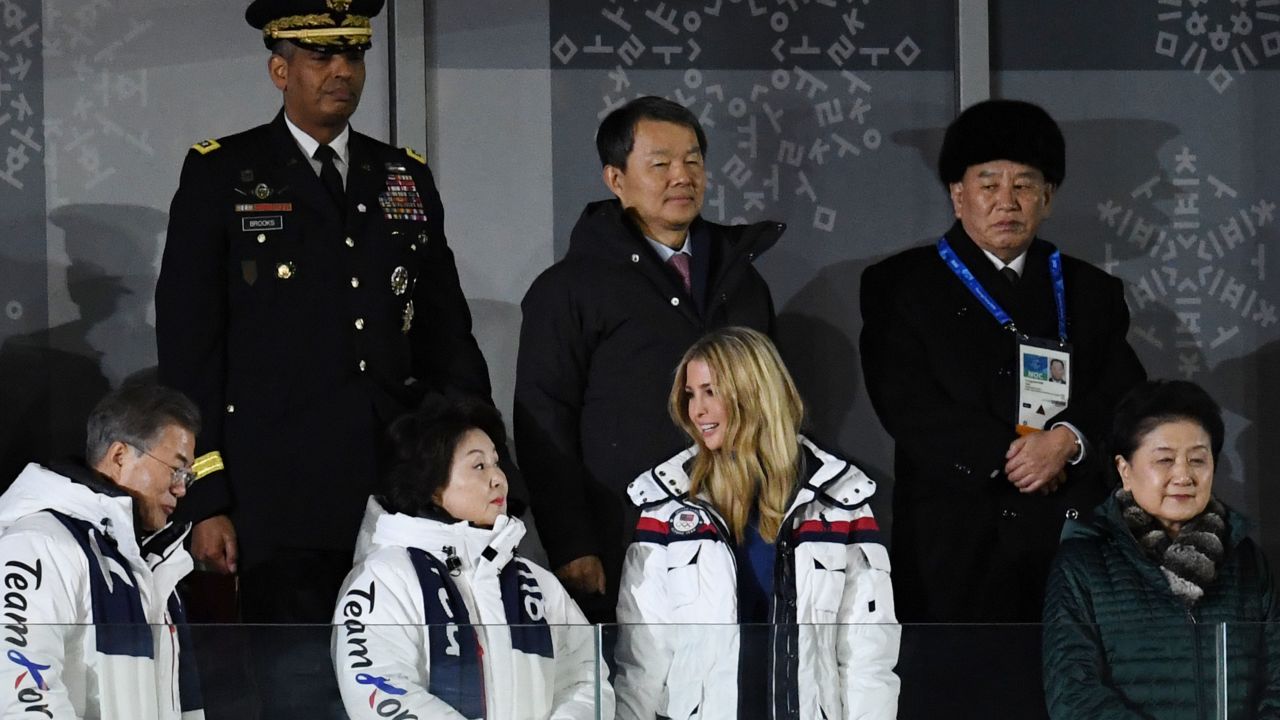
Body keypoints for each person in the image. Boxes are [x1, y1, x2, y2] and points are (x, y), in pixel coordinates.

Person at [155, 0, 494, 623]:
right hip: (278, 492)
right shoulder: (224, 173)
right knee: (295, 679)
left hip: (398, 489)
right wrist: (206, 496)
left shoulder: (402, 176)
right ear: (280, 70)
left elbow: (447, 336)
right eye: (320, 56)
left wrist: (481, 459)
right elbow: (189, 347)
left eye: (354, 53)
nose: (342, 70)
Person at [859, 98, 1146, 718]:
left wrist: (1066, 441)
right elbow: (906, 406)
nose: (1006, 200)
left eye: (1024, 184)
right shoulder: (900, 285)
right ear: (957, 194)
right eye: (988, 184)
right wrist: (1013, 457)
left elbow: (1127, 396)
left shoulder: (1092, 291)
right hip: (956, 541)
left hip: (1068, 538)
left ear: (1049, 196)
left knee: (1071, 694)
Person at [515, 96, 784, 621]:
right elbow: (544, 424)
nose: (681, 176)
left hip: (746, 531)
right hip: (628, 540)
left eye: (693, 160)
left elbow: (776, 408)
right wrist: (572, 543)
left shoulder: (743, 280)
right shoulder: (568, 289)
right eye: (660, 164)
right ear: (615, 179)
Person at [615, 327, 899, 720]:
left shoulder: (838, 500)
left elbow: (868, 653)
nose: (696, 410)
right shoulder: (665, 505)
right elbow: (641, 661)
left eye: (710, 391)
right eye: (690, 394)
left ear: (753, 392)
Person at [332, 398, 614, 720]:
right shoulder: (384, 578)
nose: (498, 479)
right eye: (479, 466)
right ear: (432, 485)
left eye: (497, 463)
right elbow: (377, 687)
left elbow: (585, 677)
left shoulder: (536, 581)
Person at [1044, 379, 1280, 718]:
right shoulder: (1083, 562)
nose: (1183, 475)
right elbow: (1073, 695)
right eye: (1165, 460)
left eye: (1198, 460)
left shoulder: (1245, 560)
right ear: (1124, 469)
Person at [0, 382, 204, 719]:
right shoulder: (38, 544)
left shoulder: (157, 568)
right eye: (175, 468)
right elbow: (19, 694)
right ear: (120, 456)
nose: (182, 488)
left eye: (188, 476)